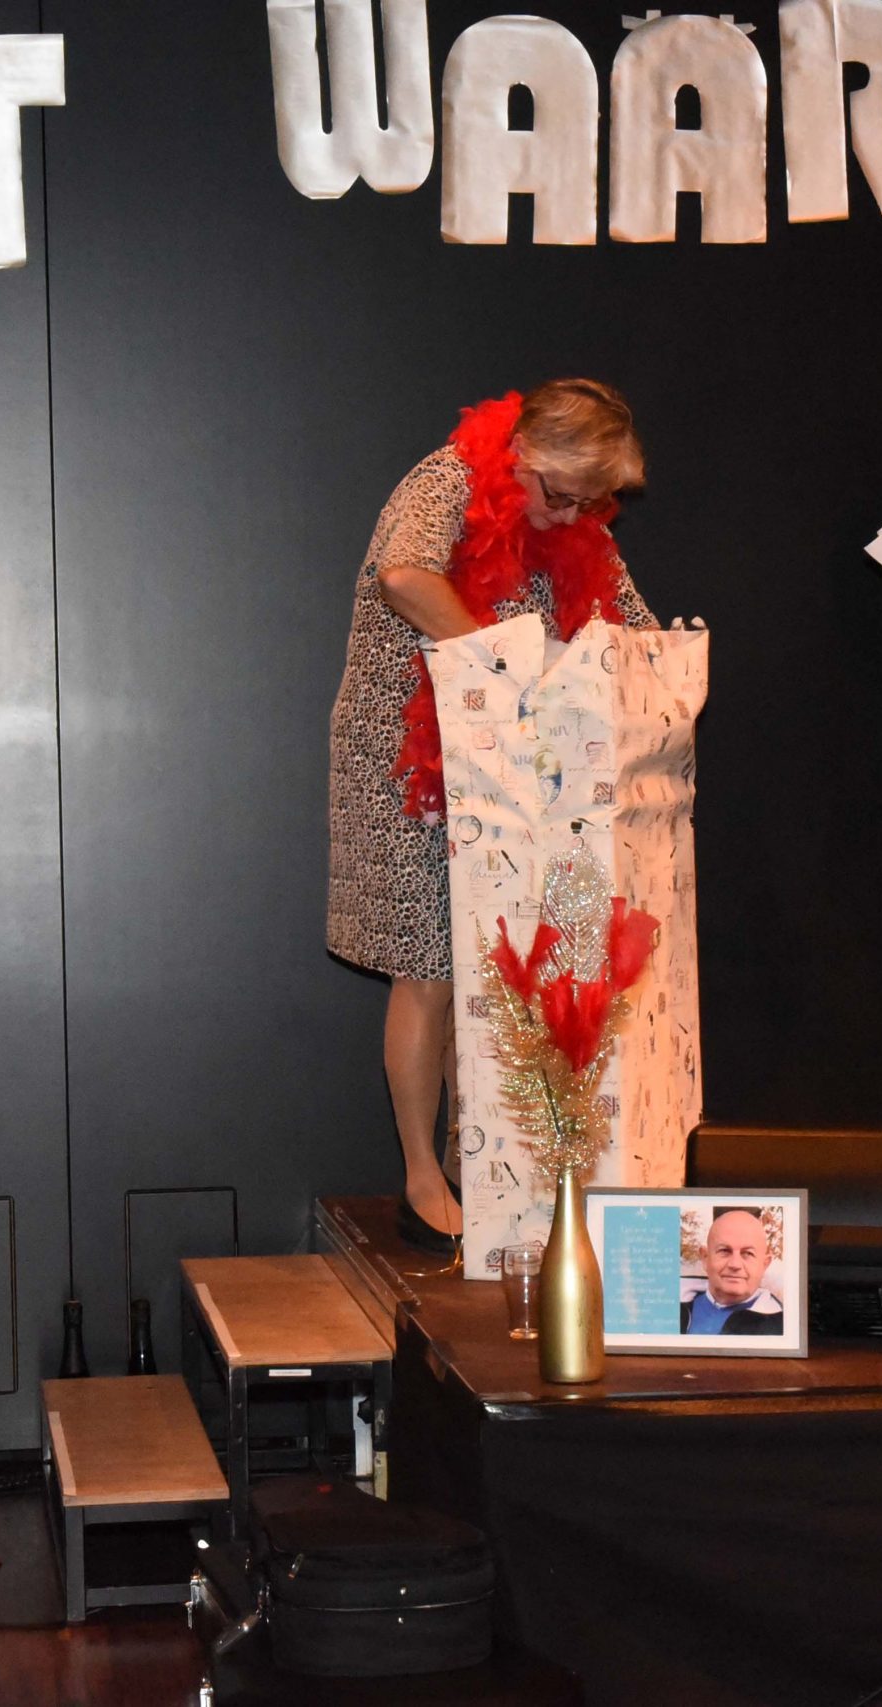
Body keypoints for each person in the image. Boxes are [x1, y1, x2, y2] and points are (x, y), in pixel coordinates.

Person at [326, 381, 659, 1250]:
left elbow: (639, 630)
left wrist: (663, 672)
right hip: (413, 762)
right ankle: (420, 1175)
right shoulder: (447, 479)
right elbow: (405, 577)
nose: (574, 515)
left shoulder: (577, 518)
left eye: (593, 502)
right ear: (522, 458)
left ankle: (479, 1164)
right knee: (431, 966)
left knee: (498, 966)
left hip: (516, 771)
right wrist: (512, 664)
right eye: (562, 495)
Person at [681, 1208, 783, 1336]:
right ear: (705, 1258)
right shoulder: (666, 1305)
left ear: (764, 1265)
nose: (735, 1264)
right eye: (724, 1251)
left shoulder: (783, 1328)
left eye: (748, 1253)